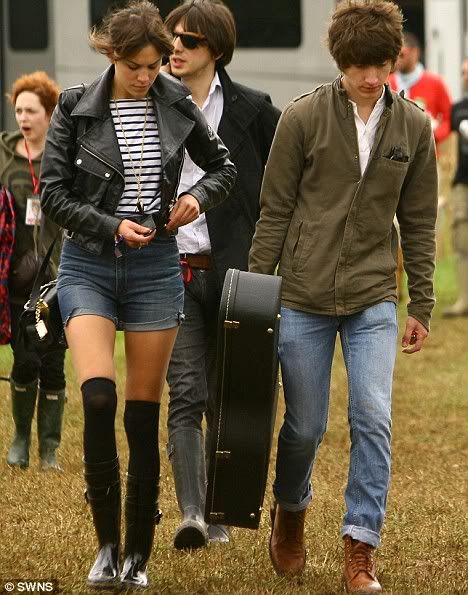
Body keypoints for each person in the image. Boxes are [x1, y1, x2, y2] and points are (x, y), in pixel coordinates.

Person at [39, 0, 236, 589]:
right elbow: (53, 194)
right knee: (99, 397)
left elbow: (222, 167)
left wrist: (195, 199)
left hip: (154, 266)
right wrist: (111, 225)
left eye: (154, 65)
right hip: (89, 263)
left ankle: (138, 557)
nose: (146, 76)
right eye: (134, 67)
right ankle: (105, 546)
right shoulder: (75, 105)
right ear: (111, 56)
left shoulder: (175, 101)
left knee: (143, 416)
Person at [249, 1, 438, 593]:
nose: (371, 77)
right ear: (340, 62)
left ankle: (361, 545)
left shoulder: (414, 126)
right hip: (302, 295)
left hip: (373, 295)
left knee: (373, 416)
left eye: (381, 65)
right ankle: (291, 509)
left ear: (394, 60)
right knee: (305, 426)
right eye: (360, 66)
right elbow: (274, 210)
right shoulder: (301, 117)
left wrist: (422, 303)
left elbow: (420, 219)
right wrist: (255, 291)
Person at [163, 0, 281, 551]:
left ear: (216, 49)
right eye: (173, 37)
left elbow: (283, 185)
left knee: (226, 399)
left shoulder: (255, 110)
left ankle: (219, 514)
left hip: (237, 275)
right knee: (186, 391)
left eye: (189, 40)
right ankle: (191, 513)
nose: (176, 48)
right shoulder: (148, 104)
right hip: (172, 270)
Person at [0, 71, 66, 472]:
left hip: (59, 279)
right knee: (25, 360)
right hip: (16, 279)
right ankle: (21, 438)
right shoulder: (4, 154)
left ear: (50, 113)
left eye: (32, 111)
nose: (23, 118)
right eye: (19, 110)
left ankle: (50, 449)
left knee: (54, 362)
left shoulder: (63, 156)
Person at [388, 31, 452, 151]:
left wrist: (434, 136)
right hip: (394, 153)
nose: (397, 60)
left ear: (415, 52)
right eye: (395, 55)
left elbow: (448, 118)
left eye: (402, 55)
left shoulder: (435, 82)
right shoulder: (387, 83)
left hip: (426, 151)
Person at [443, 57, 468, 317]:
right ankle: (464, 300)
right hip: (462, 183)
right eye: (463, 72)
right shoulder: (457, 109)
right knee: (462, 241)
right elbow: (450, 147)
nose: (465, 77)